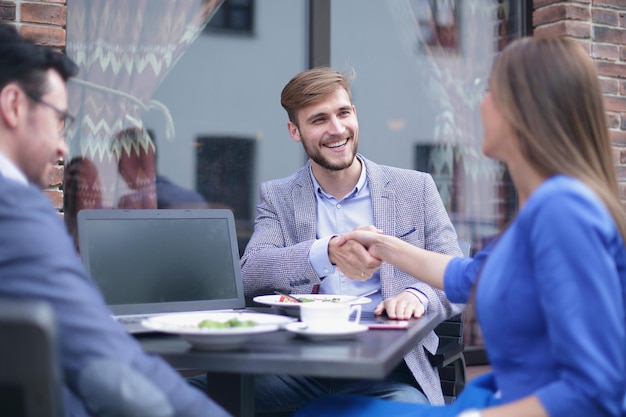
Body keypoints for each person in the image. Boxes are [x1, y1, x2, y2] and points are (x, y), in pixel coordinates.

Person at [296, 36, 626, 417]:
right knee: (330, 408)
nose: (479, 103)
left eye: (488, 91)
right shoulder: (542, 211)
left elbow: (596, 390)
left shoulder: (563, 211)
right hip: (496, 400)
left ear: (523, 110)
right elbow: (467, 274)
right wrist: (382, 245)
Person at [0, 23, 230, 417]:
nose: (62, 145)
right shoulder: (14, 211)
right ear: (14, 105)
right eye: (60, 121)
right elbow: (114, 372)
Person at [238, 66, 463, 414]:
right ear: (294, 131)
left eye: (343, 113)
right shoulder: (279, 196)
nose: (337, 129)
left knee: (408, 410)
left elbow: (457, 278)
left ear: (354, 114)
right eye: (319, 120)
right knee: (182, 395)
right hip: (297, 368)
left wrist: (417, 294)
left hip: (389, 371)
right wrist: (323, 252)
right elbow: (250, 273)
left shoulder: (415, 188)